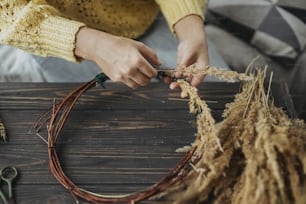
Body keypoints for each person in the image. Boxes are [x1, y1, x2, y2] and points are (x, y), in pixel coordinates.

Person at [0, 0, 228, 94]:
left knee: (221, 92)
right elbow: (6, 13)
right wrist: (93, 45)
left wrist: (189, 23)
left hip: (148, 17)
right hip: (59, 40)